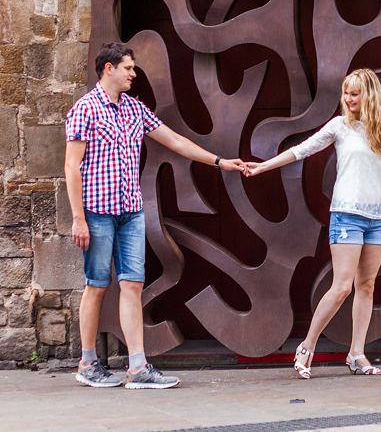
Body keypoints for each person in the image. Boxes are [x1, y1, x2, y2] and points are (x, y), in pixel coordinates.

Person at [65, 42, 246, 389]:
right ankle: (88, 363)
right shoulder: (84, 110)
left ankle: (137, 368)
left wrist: (220, 162)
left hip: (131, 211)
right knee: (97, 285)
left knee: (133, 284)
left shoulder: (135, 109)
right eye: (128, 68)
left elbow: (175, 141)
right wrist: (78, 218)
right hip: (97, 212)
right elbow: (72, 167)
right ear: (109, 69)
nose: (134, 73)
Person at [245, 68, 381, 378]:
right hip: (346, 214)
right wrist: (263, 167)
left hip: (378, 219)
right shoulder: (340, 127)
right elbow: (302, 149)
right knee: (341, 287)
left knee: (367, 286)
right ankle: (307, 346)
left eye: (354, 93)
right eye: (346, 93)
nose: (348, 99)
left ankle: (356, 354)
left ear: (370, 96)